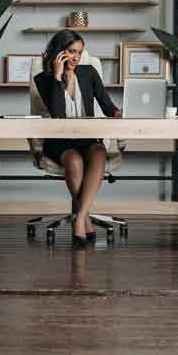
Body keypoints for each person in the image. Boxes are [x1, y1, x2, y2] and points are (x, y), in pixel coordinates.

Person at [34, 29, 122, 248]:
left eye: (79, 52)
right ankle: (84, 217)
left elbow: (109, 107)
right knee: (74, 161)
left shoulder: (89, 72)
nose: (75, 57)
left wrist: (123, 112)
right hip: (59, 141)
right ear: (59, 52)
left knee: (99, 151)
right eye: (71, 51)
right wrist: (57, 76)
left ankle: (81, 217)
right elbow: (58, 115)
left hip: (87, 138)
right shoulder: (43, 79)